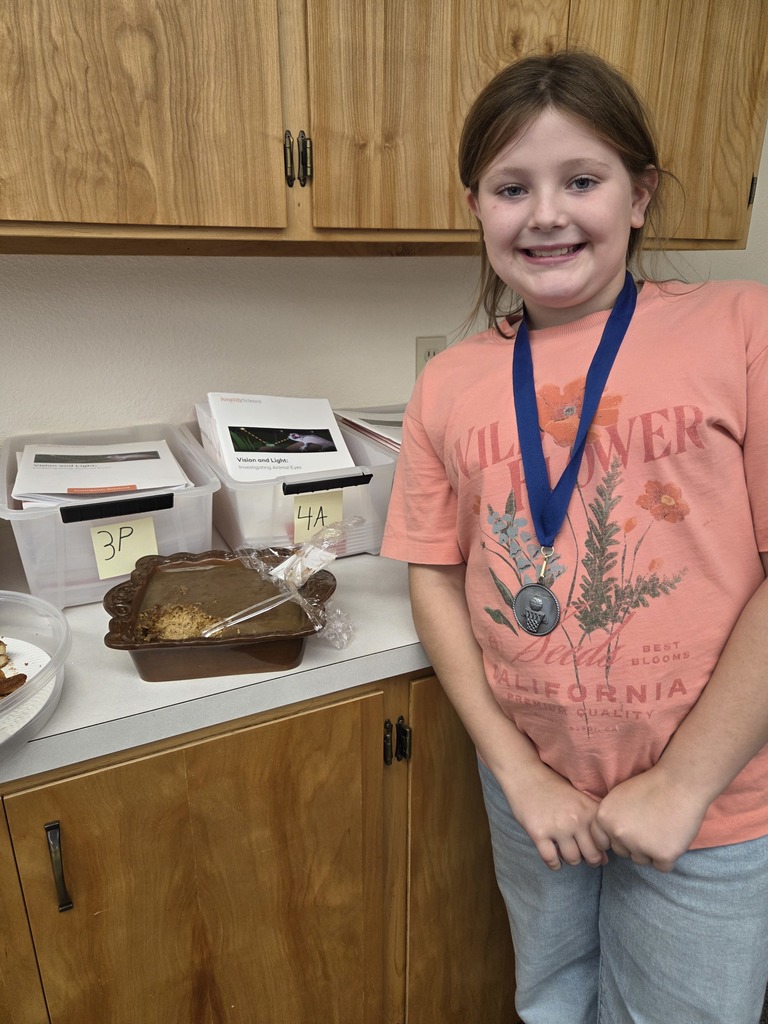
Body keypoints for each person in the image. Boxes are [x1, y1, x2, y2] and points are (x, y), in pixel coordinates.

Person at [381, 50, 768, 1024]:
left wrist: (682, 784)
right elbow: (436, 575)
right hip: (533, 796)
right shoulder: (449, 383)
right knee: (551, 1001)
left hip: (711, 808)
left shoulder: (741, 328)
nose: (545, 214)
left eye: (581, 180)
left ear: (639, 195)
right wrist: (521, 775)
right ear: (476, 204)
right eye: (513, 187)